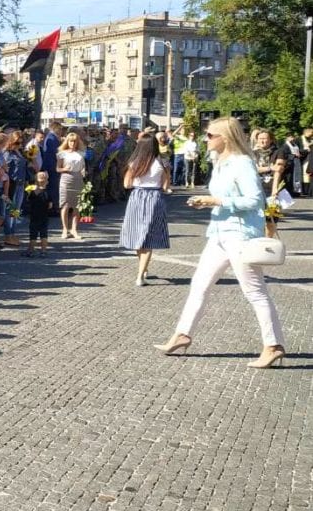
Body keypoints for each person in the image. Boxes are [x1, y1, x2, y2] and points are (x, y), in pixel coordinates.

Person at [156, 117, 286, 369]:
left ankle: (273, 345)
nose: (206, 139)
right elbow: (221, 195)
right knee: (199, 285)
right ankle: (183, 334)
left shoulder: (242, 163)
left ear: (225, 137)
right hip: (218, 233)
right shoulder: (220, 162)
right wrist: (206, 201)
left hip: (239, 235)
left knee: (255, 292)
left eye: (210, 135)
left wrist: (215, 201)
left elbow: (254, 200)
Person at [119, 135, 171, 287]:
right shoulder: (163, 162)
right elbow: (166, 186)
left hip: (137, 197)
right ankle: (141, 274)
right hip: (155, 197)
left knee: (137, 235)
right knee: (149, 237)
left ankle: (143, 269)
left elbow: (127, 185)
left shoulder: (134, 162)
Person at [56, 132, 86, 240]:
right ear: (67, 141)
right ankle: (65, 228)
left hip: (78, 179)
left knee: (77, 206)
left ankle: (74, 229)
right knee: (65, 205)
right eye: (70, 141)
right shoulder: (62, 153)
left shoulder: (81, 153)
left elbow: (83, 166)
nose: (72, 143)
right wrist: (64, 169)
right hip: (66, 179)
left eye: (74, 141)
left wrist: (83, 171)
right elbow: (57, 168)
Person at [2, 131, 27, 246]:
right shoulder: (8, 153)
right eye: (17, 142)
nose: (20, 144)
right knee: (10, 210)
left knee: (16, 210)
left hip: (21, 183)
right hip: (12, 183)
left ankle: (13, 233)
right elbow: (6, 169)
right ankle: (8, 235)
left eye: (21, 141)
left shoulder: (20, 152)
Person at [22, 172, 53, 258]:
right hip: (44, 217)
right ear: (47, 182)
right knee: (44, 234)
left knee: (33, 235)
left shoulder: (32, 192)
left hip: (34, 216)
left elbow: (28, 200)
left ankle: (31, 250)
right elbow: (50, 206)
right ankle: (43, 251)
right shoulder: (48, 193)